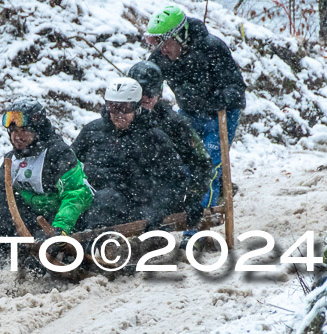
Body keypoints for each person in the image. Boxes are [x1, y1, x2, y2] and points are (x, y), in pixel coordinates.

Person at [0, 98, 93, 270]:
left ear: (38, 130)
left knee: (36, 260)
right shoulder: (11, 159)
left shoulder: (58, 154)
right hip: (32, 219)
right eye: (14, 131)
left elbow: (76, 194)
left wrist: (59, 229)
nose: (18, 136)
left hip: (63, 222)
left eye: (24, 130)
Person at [145, 4, 246, 208]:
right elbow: (148, 82)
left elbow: (237, 87)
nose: (163, 50)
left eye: (166, 43)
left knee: (208, 165)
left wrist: (216, 99)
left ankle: (198, 228)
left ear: (180, 36)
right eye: (158, 45)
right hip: (189, 113)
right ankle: (208, 196)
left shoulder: (211, 48)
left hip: (221, 114)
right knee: (187, 162)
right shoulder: (160, 57)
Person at [71, 77, 185, 230]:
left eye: (125, 108)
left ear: (137, 107)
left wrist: (157, 211)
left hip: (135, 205)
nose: (119, 114)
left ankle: (93, 245)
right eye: (113, 107)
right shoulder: (92, 131)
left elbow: (174, 181)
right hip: (90, 197)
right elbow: (69, 163)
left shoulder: (154, 138)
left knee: (106, 200)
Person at [127, 60, 212, 233]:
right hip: (125, 187)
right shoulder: (117, 118)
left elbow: (201, 162)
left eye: (152, 92)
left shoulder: (174, 124)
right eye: (142, 92)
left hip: (163, 189)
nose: (146, 98)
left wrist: (194, 197)